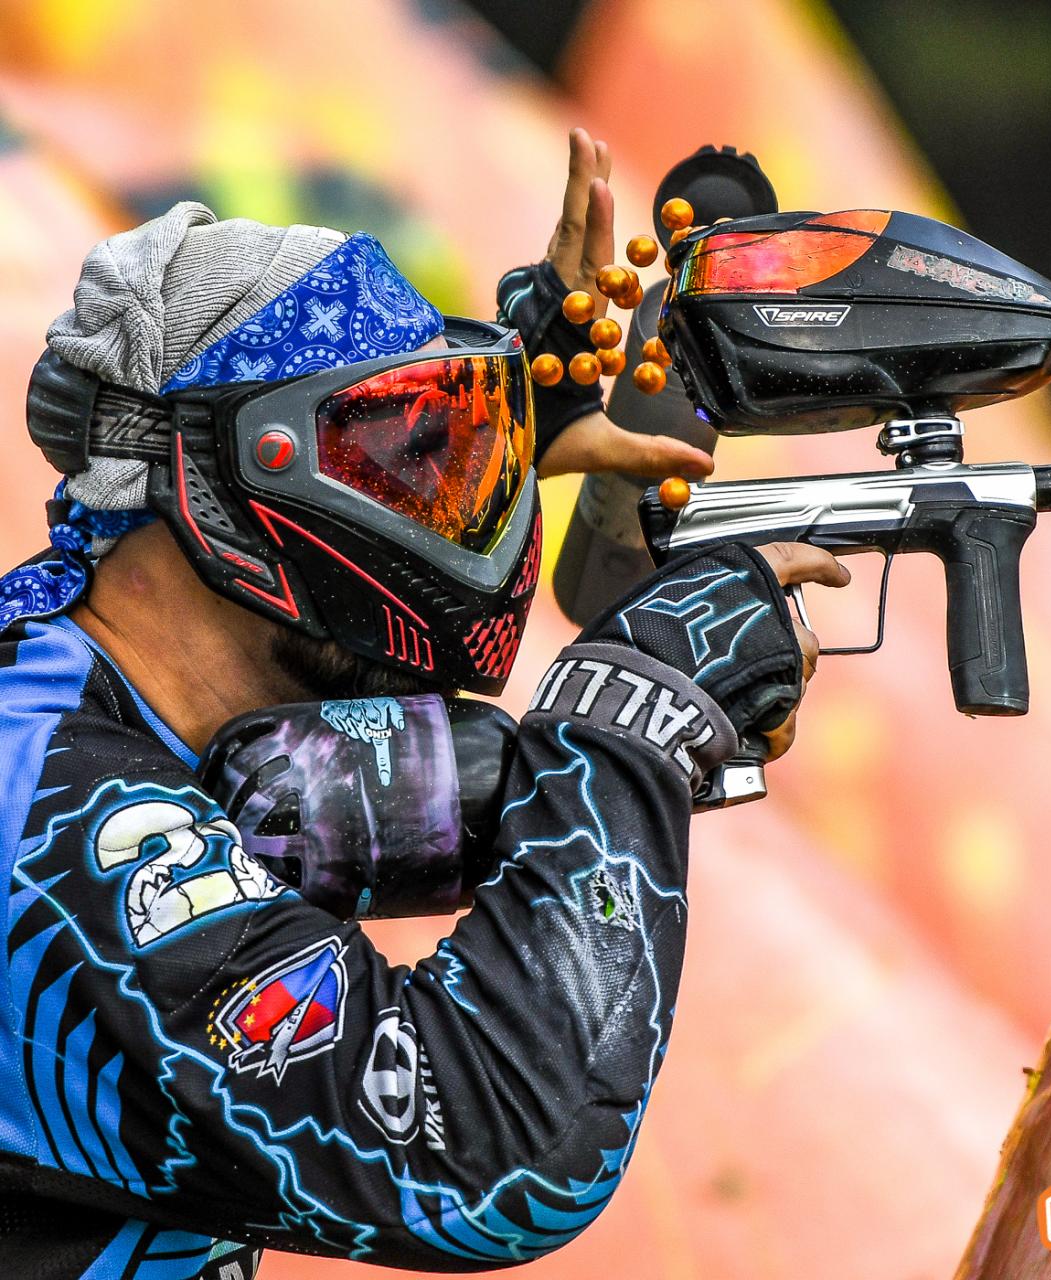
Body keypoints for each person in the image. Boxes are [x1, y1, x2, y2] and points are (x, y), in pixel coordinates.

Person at [0, 129, 847, 1278]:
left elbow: (399, 790)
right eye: (406, 460)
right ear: (229, 470)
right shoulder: (43, 812)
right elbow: (485, 1155)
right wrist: (632, 714)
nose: (452, 510)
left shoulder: (79, 694)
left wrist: (508, 419)